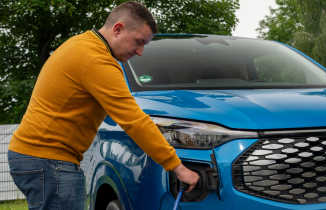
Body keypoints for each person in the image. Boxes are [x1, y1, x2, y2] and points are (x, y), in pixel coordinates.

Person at [7, 2, 199, 210]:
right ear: (118, 29)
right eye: (138, 42)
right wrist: (177, 167)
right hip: (48, 160)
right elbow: (134, 120)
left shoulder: (82, 45)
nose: (140, 51)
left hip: (36, 157)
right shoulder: (96, 60)